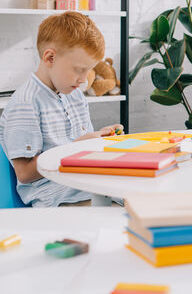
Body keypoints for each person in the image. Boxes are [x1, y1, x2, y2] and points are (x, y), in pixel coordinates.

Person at [0, 12, 122, 207]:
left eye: (88, 71)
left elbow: (80, 144)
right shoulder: (25, 104)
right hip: (57, 196)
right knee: (123, 215)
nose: (84, 80)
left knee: (139, 199)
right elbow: (24, 175)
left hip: (84, 183)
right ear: (50, 58)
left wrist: (98, 137)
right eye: (79, 70)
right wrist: (74, 148)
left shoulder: (74, 95)